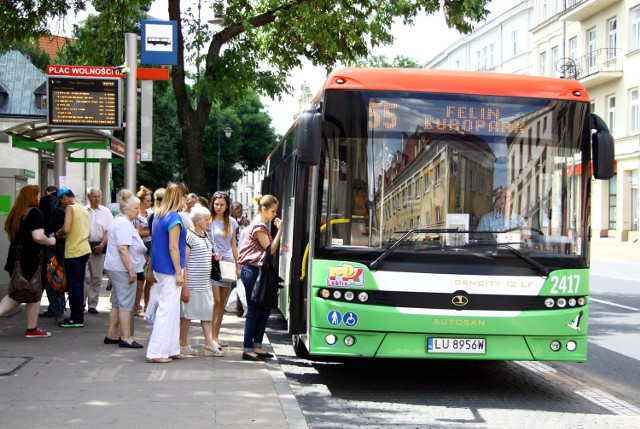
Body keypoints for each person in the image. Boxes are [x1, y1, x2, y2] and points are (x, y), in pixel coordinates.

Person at [1, 185, 56, 338]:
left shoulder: (17, 213)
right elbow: (38, 236)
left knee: (19, 294)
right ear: (33, 197)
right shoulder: (35, 213)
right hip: (29, 261)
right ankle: (32, 329)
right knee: (31, 292)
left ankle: (32, 328)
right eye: (38, 195)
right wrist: (50, 241)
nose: (39, 198)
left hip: (16, 259)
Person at [145, 182, 189, 364]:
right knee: (167, 309)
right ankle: (156, 351)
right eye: (184, 196)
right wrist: (179, 272)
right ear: (179, 196)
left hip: (159, 267)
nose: (186, 200)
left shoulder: (158, 216)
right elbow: (174, 247)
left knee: (170, 309)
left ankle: (170, 348)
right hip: (170, 269)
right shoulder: (173, 219)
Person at [237, 194, 283, 361]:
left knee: (264, 308)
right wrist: (280, 231)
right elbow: (270, 249)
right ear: (264, 209)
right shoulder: (259, 227)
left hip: (256, 270)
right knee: (255, 309)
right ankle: (248, 348)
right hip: (252, 270)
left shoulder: (260, 225)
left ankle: (257, 345)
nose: (274, 214)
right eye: (273, 211)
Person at [103, 190, 146, 349]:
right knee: (126, 303)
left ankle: (112, 334)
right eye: (135, 208)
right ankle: (127, 337)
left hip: (115, 267)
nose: (138, 210)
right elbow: (123, 249)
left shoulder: (119, 221)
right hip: (122, 269)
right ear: (126, 209)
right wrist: (131, 270)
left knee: (117, 302)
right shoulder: (123, 224)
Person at [179, 205, 223, 357]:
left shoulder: (205, 235)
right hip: (192, 283)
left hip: (204, 283)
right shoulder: (189, 236)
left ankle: (209, 342)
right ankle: (182, 343)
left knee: (206, 314)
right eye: (206, 219)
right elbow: (183, 262)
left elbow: (203, 253)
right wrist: (185, 286)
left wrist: (214, 257)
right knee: (187, 315)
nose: (208, 222)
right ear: (197, 221)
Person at [207, 191, 240, 348]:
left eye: (221, 204)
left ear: (227, 206)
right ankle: (210, 337)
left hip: (227, 264)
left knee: (222, 303)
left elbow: (234, 244)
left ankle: (216, 335)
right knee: (216, 300)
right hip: (213, 264)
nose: (218, 207)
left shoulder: (232, 222)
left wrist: (238, 264)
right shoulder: (209, 220)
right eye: (216, 204)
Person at [56, 188, 91, 328]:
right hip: (84, 249)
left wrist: (58, 233)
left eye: (61, 201)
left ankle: (76, 318)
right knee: (79, 284)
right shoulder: (83, 208)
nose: (62, 205)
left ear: (64, 197)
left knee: (74, 285)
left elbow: (66, 228)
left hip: (74, 251)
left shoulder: (70, 208)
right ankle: (79, 314)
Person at [84, 187, 113, 315]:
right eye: (94, 196)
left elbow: (109, 230)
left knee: (96, 276)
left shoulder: (106, 212)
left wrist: (102, 244)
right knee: (85, 277)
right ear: (88, 197)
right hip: (84, 246)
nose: (96, 199)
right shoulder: (83, 211)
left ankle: (92, 304)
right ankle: (81, 303)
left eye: (98, 197)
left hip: (99, 245)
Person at [38, 185, 66, 319]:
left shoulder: (44, 202)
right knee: (59, 274)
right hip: (62, 244)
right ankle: (60, 307)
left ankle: (54, 309)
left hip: (49, 244)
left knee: (50, 275)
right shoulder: (63, 205)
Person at [133, 185, 153, 317]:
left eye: (150, 200)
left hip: (152, 247)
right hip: (141, 249)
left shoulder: (151, 213)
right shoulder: (136, 215)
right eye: (147, 200)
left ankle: (148, 306)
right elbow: (138, 232)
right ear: (141, 201)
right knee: (141, 279)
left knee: (150, 279)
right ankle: (136, 306)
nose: (150, 202)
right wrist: (151, 232)